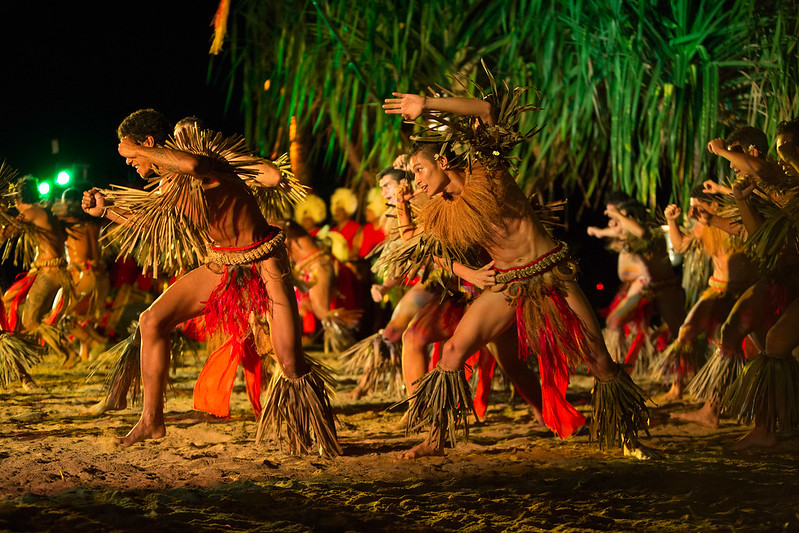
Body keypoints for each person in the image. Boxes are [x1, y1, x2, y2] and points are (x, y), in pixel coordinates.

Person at [383, 89, 653, 459]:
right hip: (506, 284)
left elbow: (485, 109)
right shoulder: (444, 210)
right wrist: (469, 273)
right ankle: (436, 440)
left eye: (419, 170)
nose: (415, 180)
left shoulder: (488, 174)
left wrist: (427, 105)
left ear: (443, 161)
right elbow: (428, 250)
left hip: (549, 273)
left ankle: (628, 437)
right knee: (452, 353)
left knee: (599, 359)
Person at [81, 109, 340, 455]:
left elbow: (206, 168)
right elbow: (149, 225)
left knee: (290, 361)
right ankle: (151, 421)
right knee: (151, 321)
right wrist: (106, 210)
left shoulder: (210, 161)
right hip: (222, 264)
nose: (128, 160)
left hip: (263, 258)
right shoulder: (171, 186)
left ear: (146, 144)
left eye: (129, 151)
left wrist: (140, 152)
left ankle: (316, 433)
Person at [663, 186, 756, 427]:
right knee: (686, 333)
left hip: (746, 292)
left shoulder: (737, 218)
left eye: (698, 205)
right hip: (717, 290)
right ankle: (677, 387)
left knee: (738, 349)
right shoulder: (703, 224)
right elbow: (681, 247)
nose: (693, 210)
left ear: (714, 205)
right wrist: (671, 222)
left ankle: (715, 410)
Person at [1, 174, 73, 383]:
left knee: (30, 321)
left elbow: (7, 234)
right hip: (51, 272)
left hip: (49, 273)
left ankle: (65, 350)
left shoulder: (31, 212)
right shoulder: (45, 211)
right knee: (9, 299)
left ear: (17, 200)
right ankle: (25, 358)